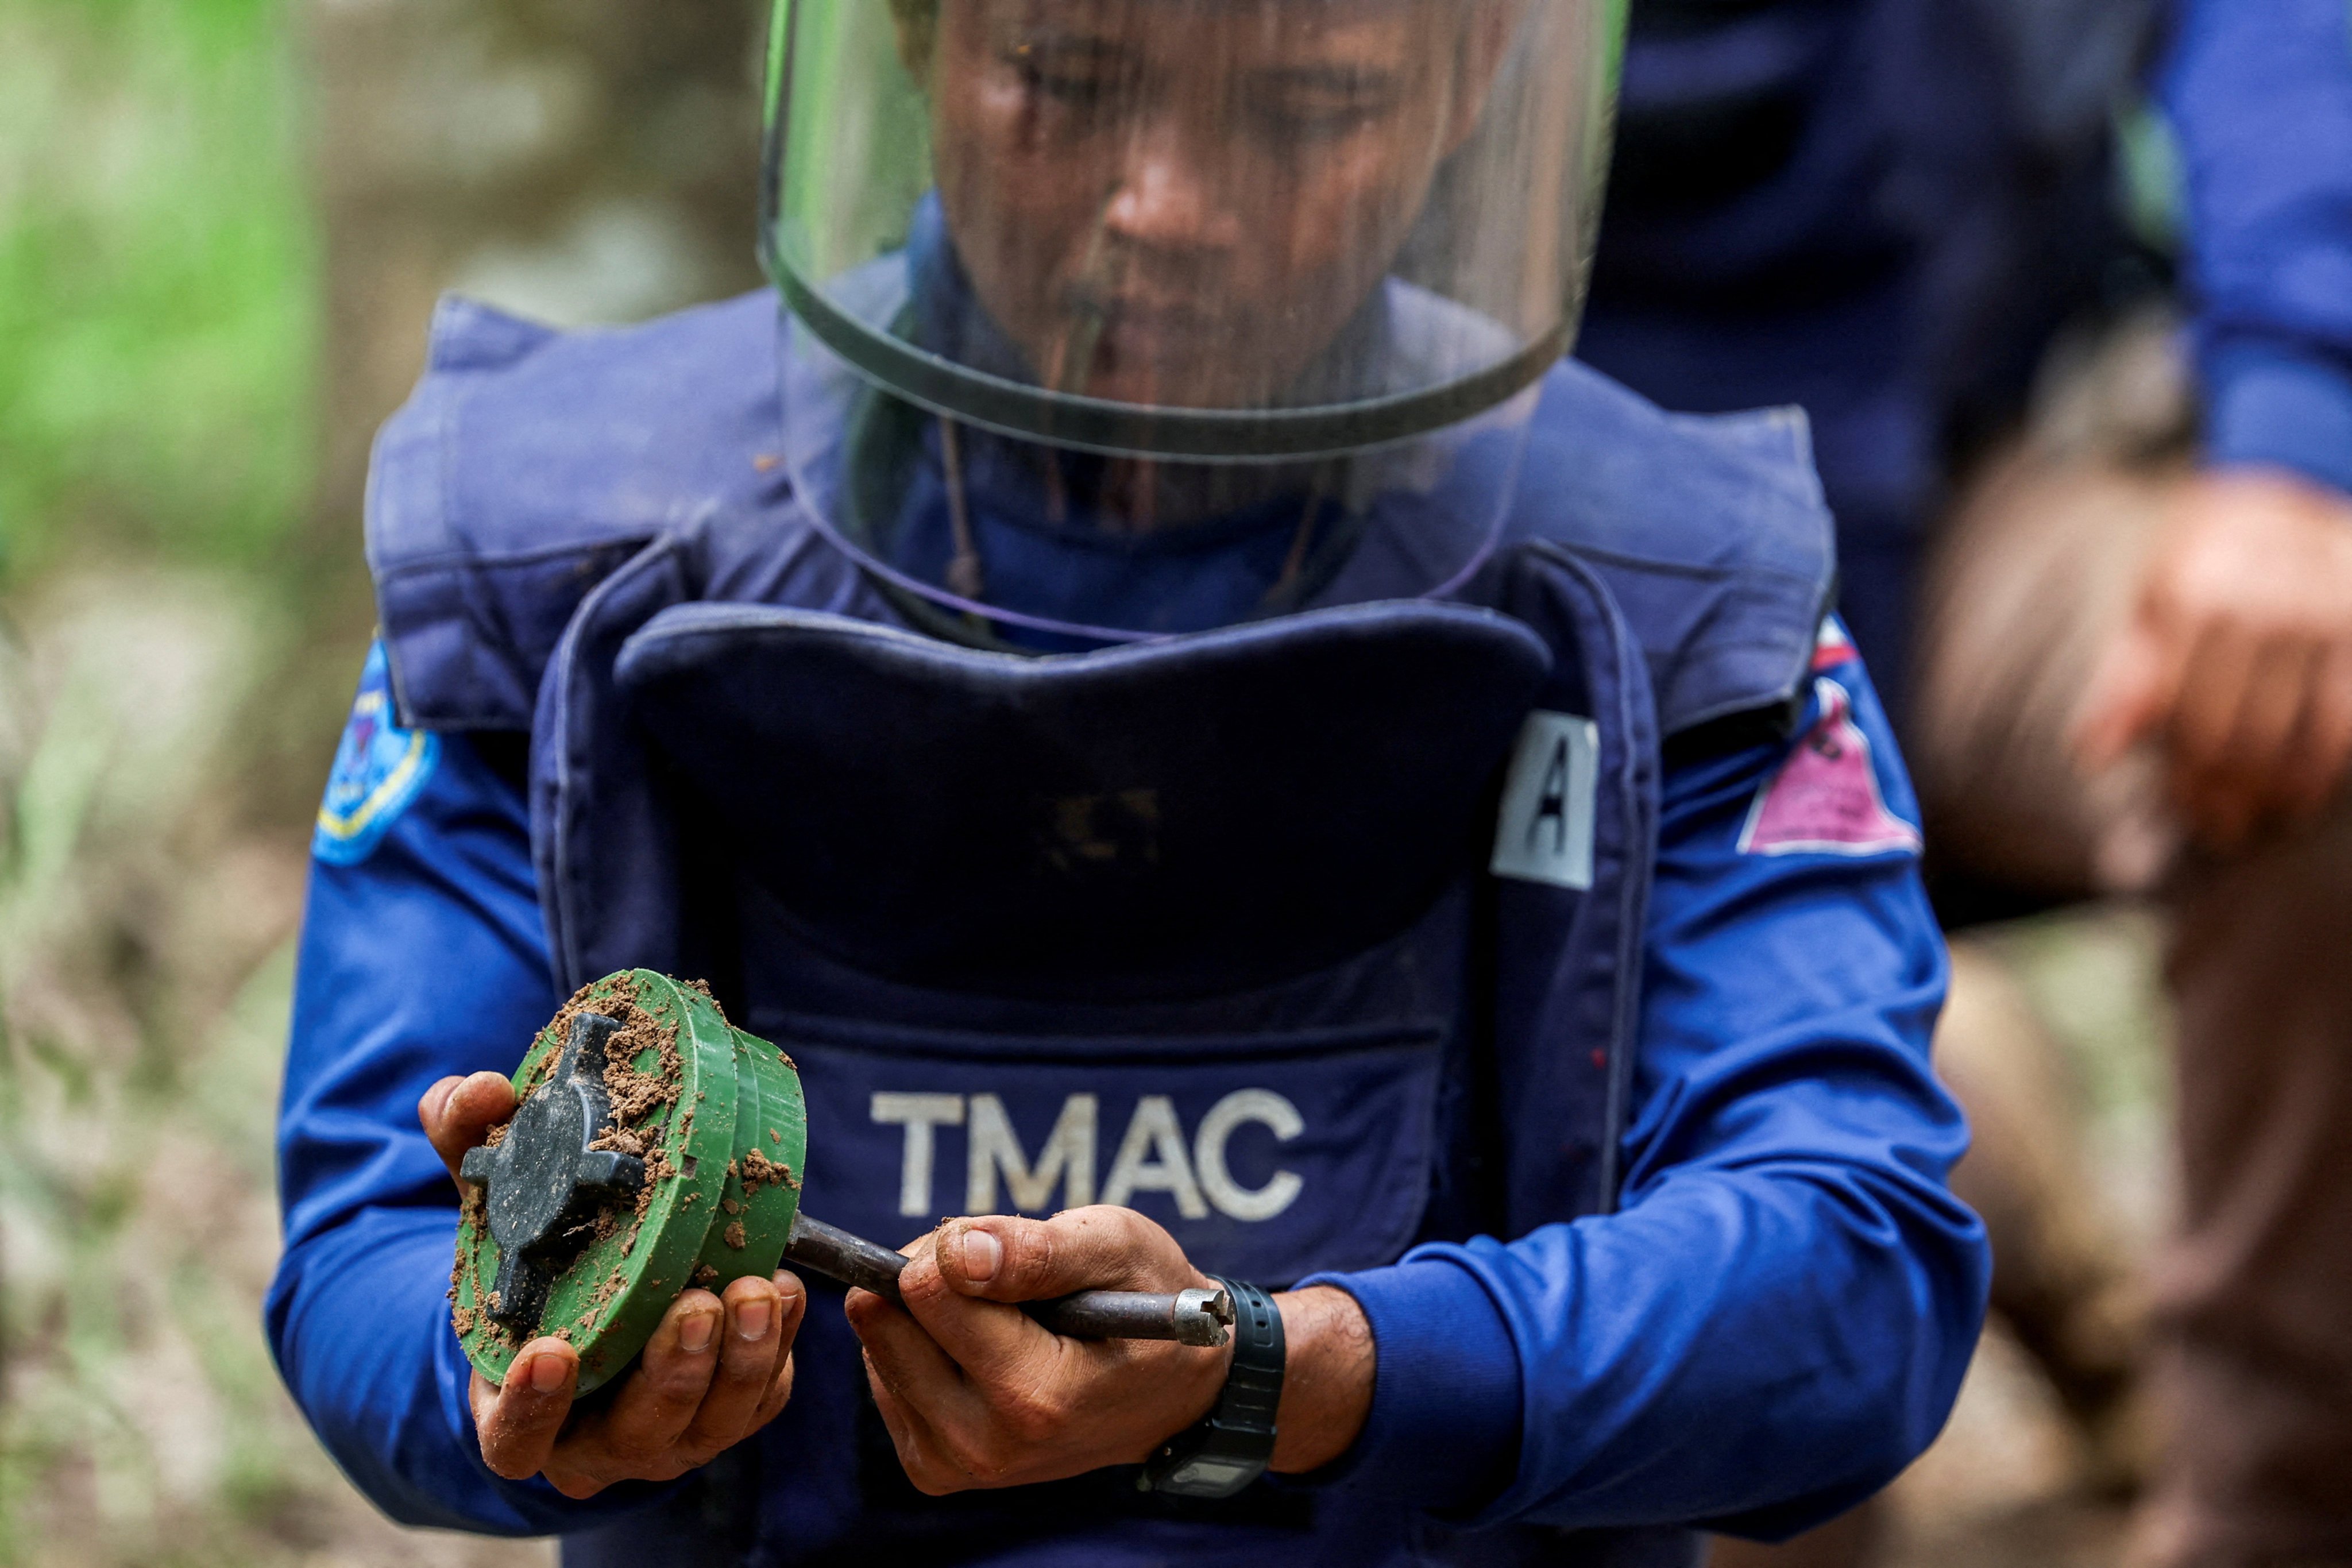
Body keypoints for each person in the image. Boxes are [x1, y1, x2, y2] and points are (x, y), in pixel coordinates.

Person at [268, 3, 1987, 1565]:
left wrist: (1289, 1372)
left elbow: (1856, 1271)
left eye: (1312, 109)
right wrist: (532, 1363)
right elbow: (362, 1249)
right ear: (920, 40)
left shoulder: (1668, 577)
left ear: (1475, 80)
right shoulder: (554, 538)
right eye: (1068, 81)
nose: (1165, 202)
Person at [1579, 2, 2352, 1563]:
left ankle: (2264, 1505)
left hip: (1939, 495)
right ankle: (2003, 1211)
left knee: (2317, 719)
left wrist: (2294, 448)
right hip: (1551, 553)